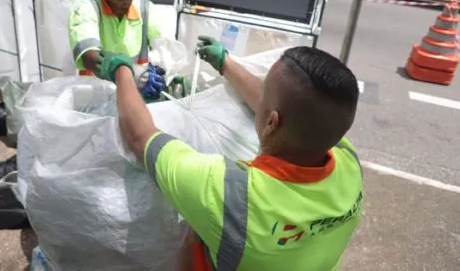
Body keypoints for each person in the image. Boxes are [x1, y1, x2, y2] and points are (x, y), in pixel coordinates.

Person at [106, 37, 363, 270]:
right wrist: (225, 63)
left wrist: (122, 72)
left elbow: (139, 137)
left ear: (271, 123)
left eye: (264, 100)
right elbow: (289, 108)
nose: (258, 100)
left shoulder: (233, 196)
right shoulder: (348, 161)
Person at [68, 0, 186, 101]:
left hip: (135, 98)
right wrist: (127, 73)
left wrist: (165, 72)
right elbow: (88, 56)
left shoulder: (145, 9)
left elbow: (168, 49)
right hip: (94, 98)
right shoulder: (87, 6)